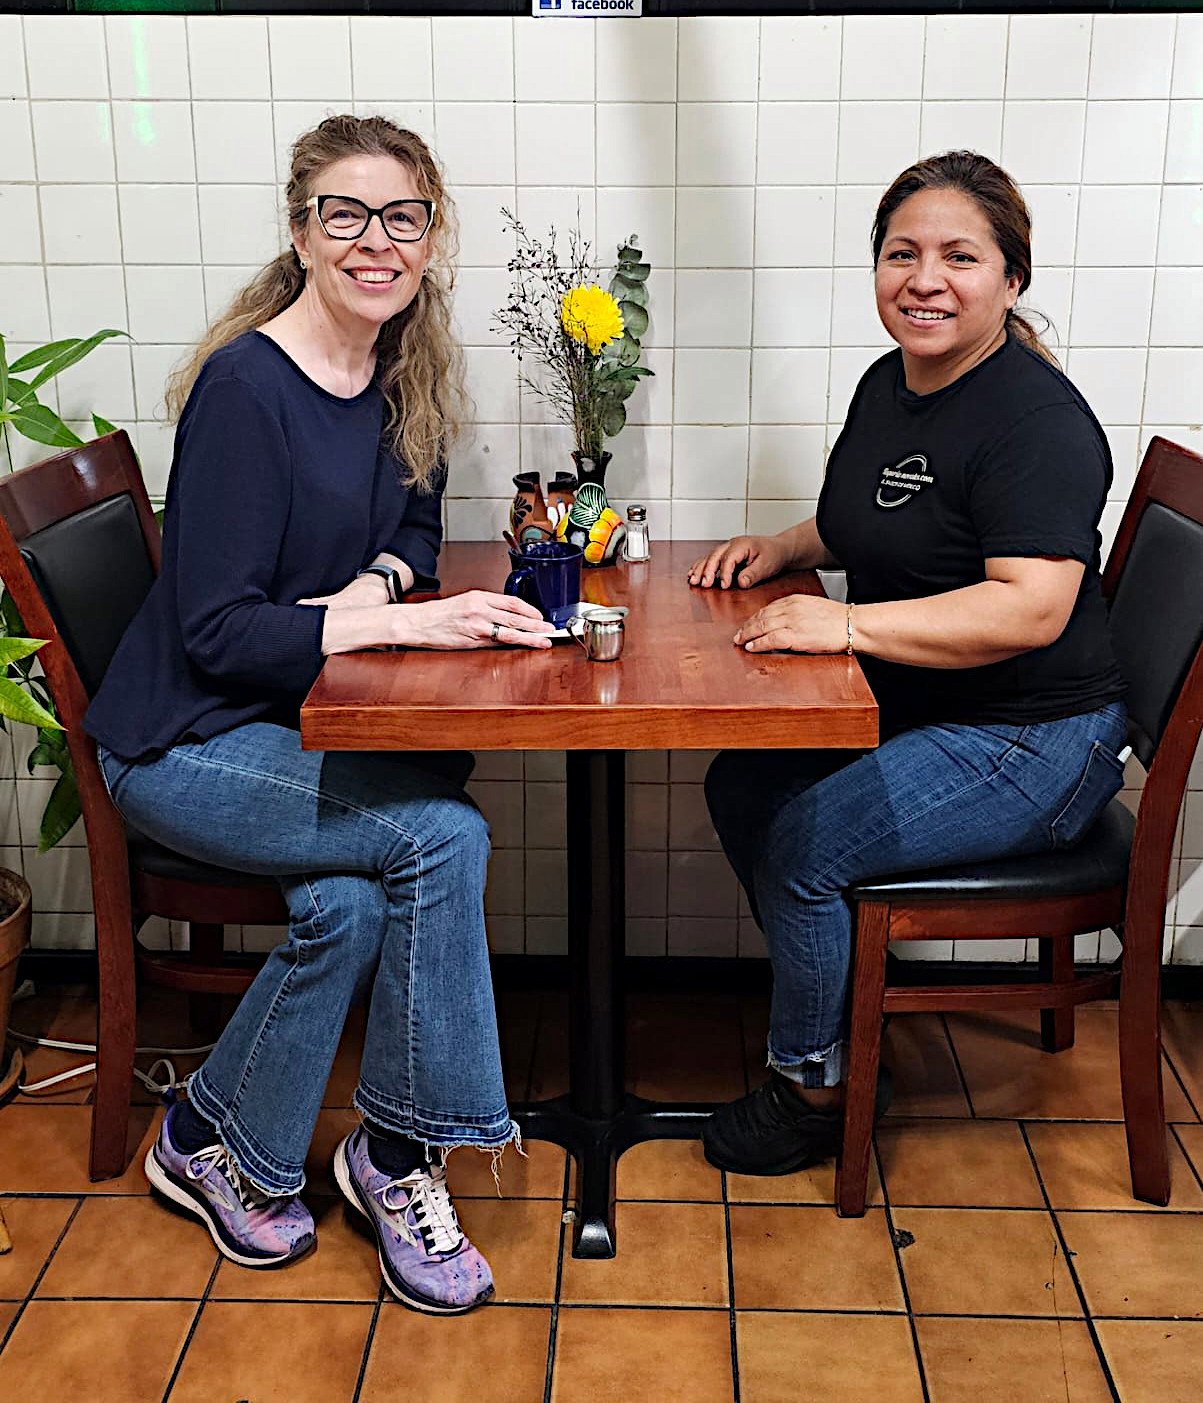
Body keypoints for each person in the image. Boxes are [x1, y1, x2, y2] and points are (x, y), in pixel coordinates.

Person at [85, 115, 555, 1314]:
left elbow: (407, 532)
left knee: (350, 898)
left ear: (432, 234)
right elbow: (215, 632)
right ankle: (396, 1157)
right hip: (182, 739)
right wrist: (396, 626)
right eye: (345, 215)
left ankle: (206, 1137)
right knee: (441, 835)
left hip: (283, 722)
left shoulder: (401, 366)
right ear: (301, 232)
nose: (375, 242)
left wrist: (382, 587)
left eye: (402, 217)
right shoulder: (249, 389)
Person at [688, 151, 1128, 1178]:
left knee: (805, 844)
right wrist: (791, 546)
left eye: (959, 256)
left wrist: (843, 630)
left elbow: (1031, 607)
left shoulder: (1036, 422)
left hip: (1033, 733)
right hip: (937, 702)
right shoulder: (893, 382)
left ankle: (816, 1086)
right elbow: (882, 518)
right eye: (902, 253)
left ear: (1011, 278)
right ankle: (847, 1024)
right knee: (742, 780)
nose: (924, 278)